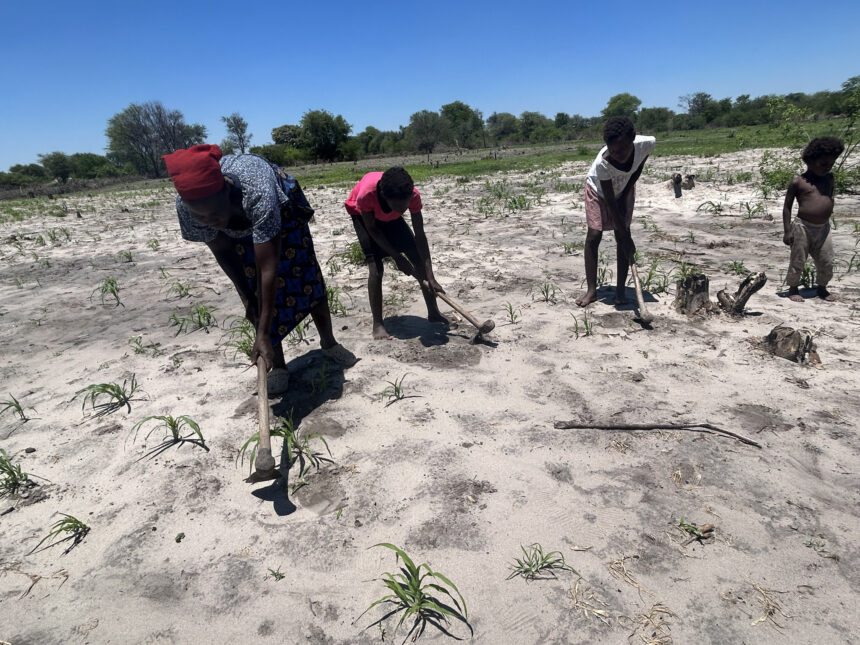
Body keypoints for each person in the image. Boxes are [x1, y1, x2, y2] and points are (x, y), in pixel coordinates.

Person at [163, 144, 356, 395]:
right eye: (201, 217)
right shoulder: (187, 209)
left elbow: (268, 267)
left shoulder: (257, 191)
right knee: (255, 297)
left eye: (214, 213)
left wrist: (263, 332)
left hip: (282, 212)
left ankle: (329, 343)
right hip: (239, 224)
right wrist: (247, 298)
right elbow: (223, 250)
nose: (209, 220)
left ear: (227, 192)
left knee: (306, 273)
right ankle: (278, 366)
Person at [344, 167, 448, 339]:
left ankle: (434, 312)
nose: (401, 211)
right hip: (365, 218)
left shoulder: (412, 195)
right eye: (397, 206)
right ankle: (377, 324)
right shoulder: (367, 195)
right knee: (376, 269)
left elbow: (420, 235)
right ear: (386, 198)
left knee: (419, 261)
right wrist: (397, 257)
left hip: (389, 219)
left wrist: (430, 276)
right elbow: (372, 229)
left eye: (404, 207)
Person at [576, 117, 655, 307]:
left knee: (622, 239)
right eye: (613, 150)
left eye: (623, 149)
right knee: (594, 235)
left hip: (625, 187)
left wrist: (626, 191)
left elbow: (638, 168)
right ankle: (592, 291)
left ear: (632, 141)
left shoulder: (647, 144)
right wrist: (624, 233)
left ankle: (620, 292)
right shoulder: (602, 164)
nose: (618, 154)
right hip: (599, 190)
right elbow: (611, 202)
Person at [782, 136, 844, 302]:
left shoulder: (829, 178)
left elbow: (828, 197)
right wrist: (787, 231)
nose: (827, 168)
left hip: (824, 228)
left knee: (827, 261)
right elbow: (787, 207)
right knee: (798, 260)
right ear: (810, 160)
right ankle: (793, 289)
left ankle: (822, 288)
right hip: (802, 227)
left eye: (830, 164)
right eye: (823, 164)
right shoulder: (798, 182)